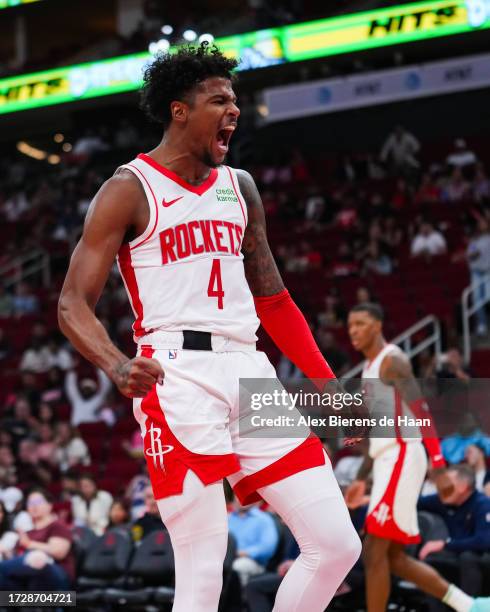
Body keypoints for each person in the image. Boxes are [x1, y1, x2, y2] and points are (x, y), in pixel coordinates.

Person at [58, 43, 362, 612]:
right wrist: (116, 364)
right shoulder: (129, 188)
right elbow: (73, 303)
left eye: (235, 99)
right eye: (219, 99)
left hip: (249, 368)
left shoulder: (240, 186)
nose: (234, 109)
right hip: (177, 375)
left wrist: (328, 388)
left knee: (336, 544)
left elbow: (274, 300)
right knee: (203, 577)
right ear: (180, 110)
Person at [346, 302, 490, 612]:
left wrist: (438, 467)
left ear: (378, 325)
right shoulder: (369, 371)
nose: (353, 331)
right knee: (393, 558)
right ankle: (469, 606)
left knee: (373, 550)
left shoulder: (393, 361)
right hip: (387, 458)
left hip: (403, 456)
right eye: (350, 326)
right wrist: (360, 479)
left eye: (360, 323)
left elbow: (422, 412)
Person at [417, 464, 490, 597]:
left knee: (468, 557)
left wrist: (444, 544)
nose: (442, 487)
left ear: (463, 487)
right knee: (432, 560)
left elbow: (484, 541)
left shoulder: (483, 504)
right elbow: (414, 502)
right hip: (455, 555)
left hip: (481, 560)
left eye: (447, 482)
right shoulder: (443, 499)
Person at [0, 488, 74, 590]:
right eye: (30, 503)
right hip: (28, 578)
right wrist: (6, 553)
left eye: (38, 502)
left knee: (37, 558)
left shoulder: (57, 526)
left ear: (49, 505)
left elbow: (59, 552)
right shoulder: (28, 532)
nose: (34, 506)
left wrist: (30, 544)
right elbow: (16, 559)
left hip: (56, 574)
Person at [228, 499, 279, 586]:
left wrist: (244, 553)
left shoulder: (264, 519)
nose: (239, 499)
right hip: (228, 557)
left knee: (237, 566)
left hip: (253, 562)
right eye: (236, 496)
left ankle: (238, 598)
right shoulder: (229, 518)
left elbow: (267, 547)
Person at [467, 219, 490, 336]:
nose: (482, 225)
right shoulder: (474, 241)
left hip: (488, 271)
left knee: (488, 297)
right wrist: (474, 253)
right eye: (480, 223)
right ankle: (482, 323)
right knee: (477, 300)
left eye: (484, 223)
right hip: (476, 272)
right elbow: (470, 255)